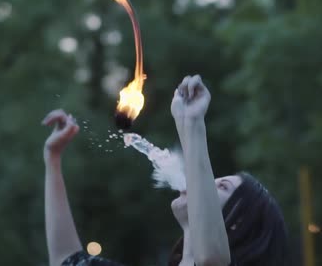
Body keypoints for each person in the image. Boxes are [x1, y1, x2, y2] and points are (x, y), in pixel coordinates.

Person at [42, 75, 287, 266]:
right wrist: (52, 160)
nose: (203, 183)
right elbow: (66, 258)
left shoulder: (214, 258)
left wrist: (191, 123)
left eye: (222, 186)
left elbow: (211, 258)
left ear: (237, 224)